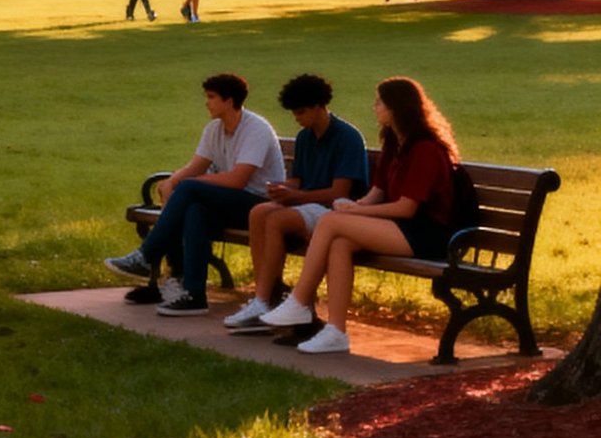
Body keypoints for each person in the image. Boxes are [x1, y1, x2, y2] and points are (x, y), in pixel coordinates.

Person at [261, 78, 463, 355]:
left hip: (427, 234)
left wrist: (358, 211)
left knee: (331, 221)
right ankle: (336, 332)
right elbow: (377, 193)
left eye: (379, 102)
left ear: (396, 107)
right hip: (398, 227)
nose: (374, 107)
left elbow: (406, 208)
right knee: (340, 242)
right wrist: (352, 205)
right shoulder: (394, 143)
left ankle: (298, 301)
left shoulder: (425, 149)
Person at [104, 72, 285, 316]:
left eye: (211, 97)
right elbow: (194, 167)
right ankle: (194, 295)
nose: (206, 102)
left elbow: (237, 180)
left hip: (259, 205)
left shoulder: (256, 129)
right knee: (194, 211)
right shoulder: (214, 129)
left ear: (229, 101)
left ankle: (146, 257)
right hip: (230, 203)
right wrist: (171, 182)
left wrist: (189, 184)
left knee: (190, 189)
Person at [222, 73, 373, 334]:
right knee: (259, 212)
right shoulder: (305, 137)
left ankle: (267, 298)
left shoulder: (347, 137)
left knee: (276, 219)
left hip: (334, 210)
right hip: (306, 205)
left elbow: (339, 191)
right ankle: (263, 297)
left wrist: (296, 197)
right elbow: (298, 180)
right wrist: (281, 189)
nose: (298, 118)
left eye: (302, 112)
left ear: (319, 106)